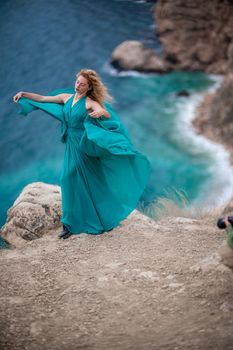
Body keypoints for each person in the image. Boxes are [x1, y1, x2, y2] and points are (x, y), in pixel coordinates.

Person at [13, 69, 152, 239]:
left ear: (89, 88)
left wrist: (101, 113)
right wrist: (24, 94)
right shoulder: (66, 97)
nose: (78, 86)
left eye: (82, 84)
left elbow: (105, 112)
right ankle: (69, 224)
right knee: (70, 179)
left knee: (80, 179)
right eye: (77, 82)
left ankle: (93, 217)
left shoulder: (90, 102)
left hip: (84, 145)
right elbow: (43, 98)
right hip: (72, 144)